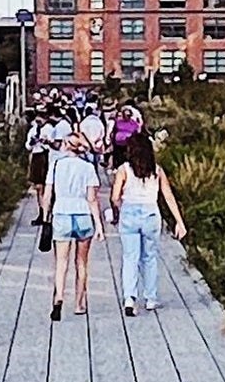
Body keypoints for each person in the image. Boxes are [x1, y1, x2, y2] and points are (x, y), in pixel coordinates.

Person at [108, 131, 188, 316]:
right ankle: (151, 298)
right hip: (151, 213)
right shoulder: (157, 170)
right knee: (149, 257)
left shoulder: (124, 170)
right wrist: (179, 221)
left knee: (130, 257)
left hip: (130, 213)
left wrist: (121, 207)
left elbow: (114, 197)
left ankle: (130, 298)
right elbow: (167, 195)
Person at [44, 131, 102, 321]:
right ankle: (79, 303)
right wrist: (99, 225)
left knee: (61, 262)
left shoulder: (56, 165)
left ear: (66, 145)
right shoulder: (88, 168)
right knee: (82, 263)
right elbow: (92, 199)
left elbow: (47, 195)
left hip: (61, 212)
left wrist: (45, 217)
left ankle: (59, 296)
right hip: (83, 213)